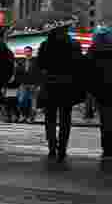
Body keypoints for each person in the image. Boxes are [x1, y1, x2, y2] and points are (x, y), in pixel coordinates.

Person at [37, 27, 84, 163]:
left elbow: (40, 64)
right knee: (65, 117)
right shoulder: (74, 44)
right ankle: (62, 148)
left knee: (50, 116)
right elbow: (79, 64)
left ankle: (52, 146)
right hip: (68, 85)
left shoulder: (45, 44)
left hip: (50, 84)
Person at [86, 27, 112, 161]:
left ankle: (107, 148)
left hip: (101, 89)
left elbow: (88, 71)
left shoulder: (92, 50)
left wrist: (92, 88)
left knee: (105, 119)